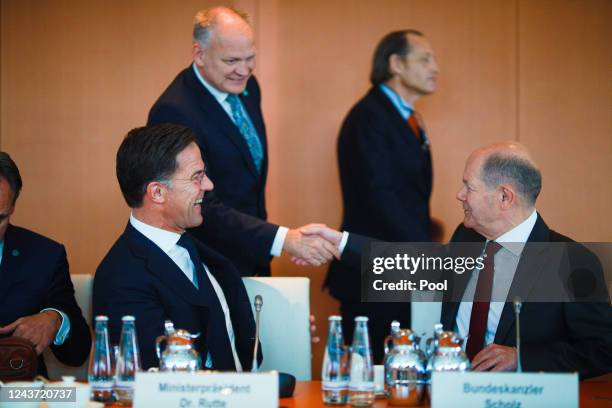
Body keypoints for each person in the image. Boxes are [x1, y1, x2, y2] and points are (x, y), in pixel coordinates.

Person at [304, 142, 612, 378]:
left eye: (469, 186)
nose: (459, 195)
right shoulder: (466, 239)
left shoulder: (570, 261)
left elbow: (603, 348)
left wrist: (523, 359)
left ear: (505, 197)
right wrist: (341, 242)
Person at [148, 6, 337, 276]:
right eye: (232, 61)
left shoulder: (249, 88)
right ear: (199, 54)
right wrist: (283, 239)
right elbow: (196, 202)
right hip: (209, 262)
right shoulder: (175, 110)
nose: (244, 70)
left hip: (253, 252)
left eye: (251, 59)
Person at [93, 124, 261, 371]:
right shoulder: (121, 278)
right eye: (197, 177)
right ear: (158, 192)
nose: (209, 185)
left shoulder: (203, 250)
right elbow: (156, 380)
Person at [324, 30, 439, 362]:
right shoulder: (369, 116)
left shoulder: (409, 117)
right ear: (396, 64)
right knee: (372, 375)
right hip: (373, 271)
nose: (436, 67)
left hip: (401, 268)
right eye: (425, 59)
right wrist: (427, 254)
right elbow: (379, 195)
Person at [0, 152, 90, 377]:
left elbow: (78, 352)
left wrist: (56, 320)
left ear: (13, 207)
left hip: (20, 395)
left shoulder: (44, 256)